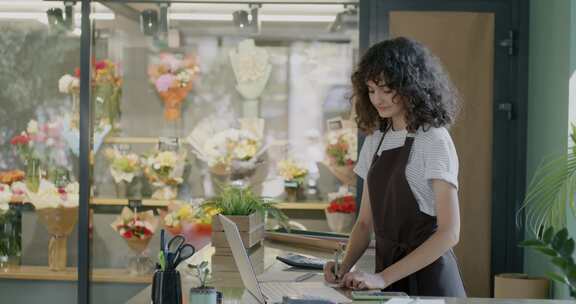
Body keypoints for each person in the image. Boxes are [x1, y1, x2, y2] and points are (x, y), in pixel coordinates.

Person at [323, 37, 466, 297]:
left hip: (430, 284)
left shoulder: (433, 138)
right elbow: (365, 224)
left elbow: (449, 233)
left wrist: (382, 278)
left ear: (411, 85)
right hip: (388, 281)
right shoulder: (377, 139)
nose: (378, 98)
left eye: (387, 88)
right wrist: (342, 268)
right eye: (371, 89)